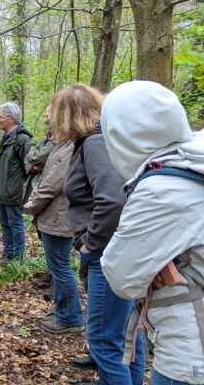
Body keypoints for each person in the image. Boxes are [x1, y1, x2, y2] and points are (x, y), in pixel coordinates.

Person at [101, 81, 204, 385]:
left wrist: (154, 269)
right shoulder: (194, 160)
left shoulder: (160, 190)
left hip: (189, 353)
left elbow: (121, 278)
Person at [55, 83, 144, 385]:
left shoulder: (95, 143)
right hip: (122, 250)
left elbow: (113, 199)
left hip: (109, 254)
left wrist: (90, 243)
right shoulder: (104, 139)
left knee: (105, 339)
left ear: (67, 115)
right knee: (128, 335)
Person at [22, 95, 83, 334]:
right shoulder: (62, 144)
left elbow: (53, 183)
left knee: (60, 267)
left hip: (59, 216)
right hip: (53, 215)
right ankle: (64, 312)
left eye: (53, 115)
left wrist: (33, 204)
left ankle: (70, 318)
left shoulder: (70, 147)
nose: (48, 120)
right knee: (57, 266)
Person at [0, 102, 33, 262]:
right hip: (1, 190)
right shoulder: (5, 137)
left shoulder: (22, 139)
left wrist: (26, 192)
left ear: (12, 119)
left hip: (13, 192)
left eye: (0, 117)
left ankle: (19, 258)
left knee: (15, 225)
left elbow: (31, 167)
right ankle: (8, 256)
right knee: (4, 224)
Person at [22, 104, 55, 205]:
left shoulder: (58, 139)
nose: (44, 120)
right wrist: (34, 167)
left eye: (47, 116)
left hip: (47, 185)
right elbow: (28, 156)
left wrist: (37, 165)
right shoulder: (46, 137)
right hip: (37, 183)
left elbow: (41, 157)